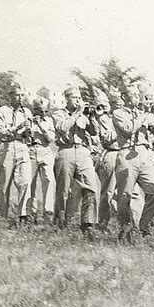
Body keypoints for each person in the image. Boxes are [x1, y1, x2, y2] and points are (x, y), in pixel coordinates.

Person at [112, 82, 154, 239]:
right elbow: (128, 129)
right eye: (132, 95)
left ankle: (145, 228)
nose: (136, 98)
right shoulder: (118, 113)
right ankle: (125, 230)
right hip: (127, 153)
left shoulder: (143, 113)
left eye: (137, 95)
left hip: (144, 153)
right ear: (124, 97)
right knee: (125, 196)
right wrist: (144, 115)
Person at [52, 86, 99, 236]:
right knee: (63, 190)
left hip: (83, 152)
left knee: (90, 187)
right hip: (65, 151)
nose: (78, 101)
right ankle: (62, 222)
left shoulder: (83, 115)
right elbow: (62, 128)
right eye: (75, 98)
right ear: (67, 98)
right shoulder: (58, 114)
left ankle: (88, 223)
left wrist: (92, 117)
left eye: (80, 98)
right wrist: (77, 114)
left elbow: (94, 132)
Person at [0, 85, 33, 226]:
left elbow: (29, 135)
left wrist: (28, 131)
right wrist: (17, 127)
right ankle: (2, 217)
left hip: (22, 147)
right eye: (17, 95)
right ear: (10, 96)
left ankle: (23, 216)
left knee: (25, 181)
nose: (20, 98)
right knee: (4, 184)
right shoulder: (2, 111)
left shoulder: (27, 111)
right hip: (7, 147)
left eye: (22, 95)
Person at [94, 89, 120, 230]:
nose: (119, 106)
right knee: (108, 192)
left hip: (124, 153)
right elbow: (106, 138)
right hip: (111, 153)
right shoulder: (105, 118)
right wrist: (122, 128)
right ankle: (103, 223)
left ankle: (131, 224)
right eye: (116, 103)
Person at [28, 96, 56, 224]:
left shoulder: (49, 121)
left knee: (49, 181)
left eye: (45, 111)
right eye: (40, 111)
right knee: (30, 183)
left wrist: (40, 124)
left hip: (45, 150)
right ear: (34, 110)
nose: (43, 114)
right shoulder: (27, 119)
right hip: (31, 151)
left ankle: (48, 213)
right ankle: (31, 213)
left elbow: (50, 138)